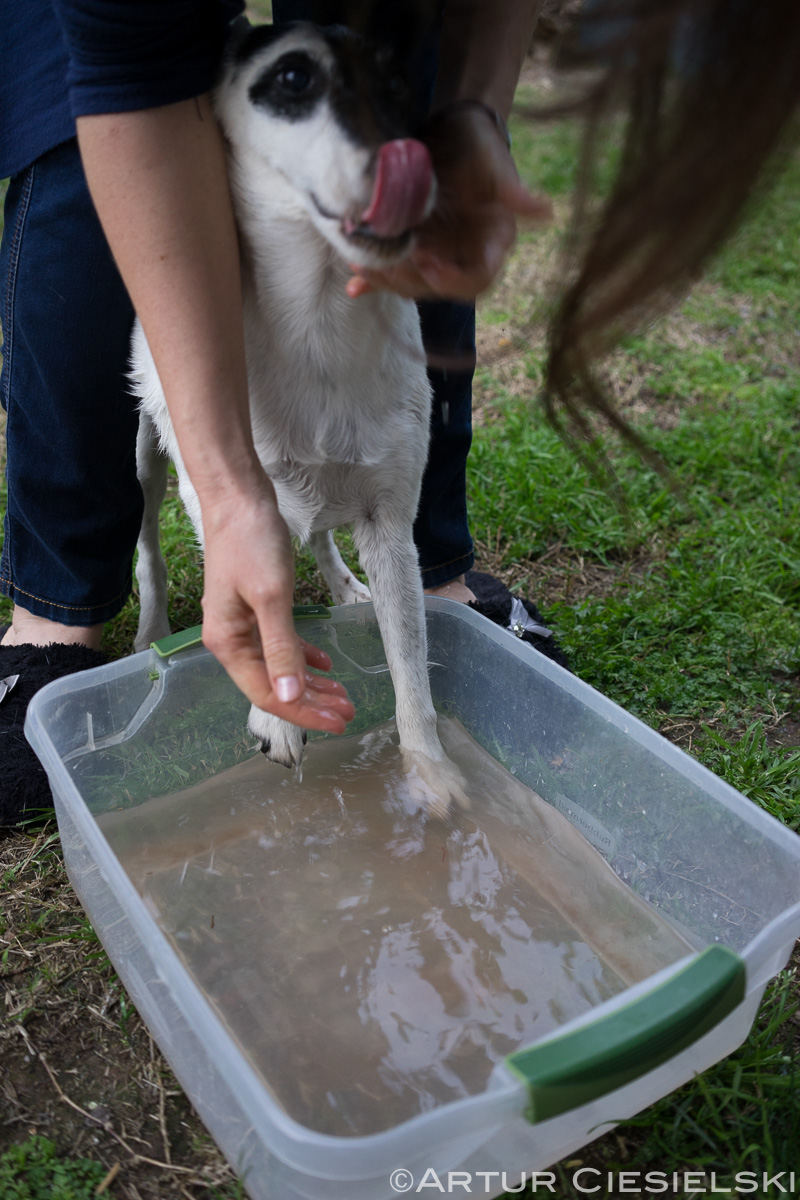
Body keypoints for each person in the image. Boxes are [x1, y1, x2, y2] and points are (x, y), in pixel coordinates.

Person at [0, 0, 557, 823]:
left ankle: (440, 588)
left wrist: (470, 115)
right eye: (291, 84)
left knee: (379, 32)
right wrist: (229, 492)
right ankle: (55, 616)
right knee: (77, 122)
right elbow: (124, 71)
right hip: (121, 41)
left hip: (368, 367)